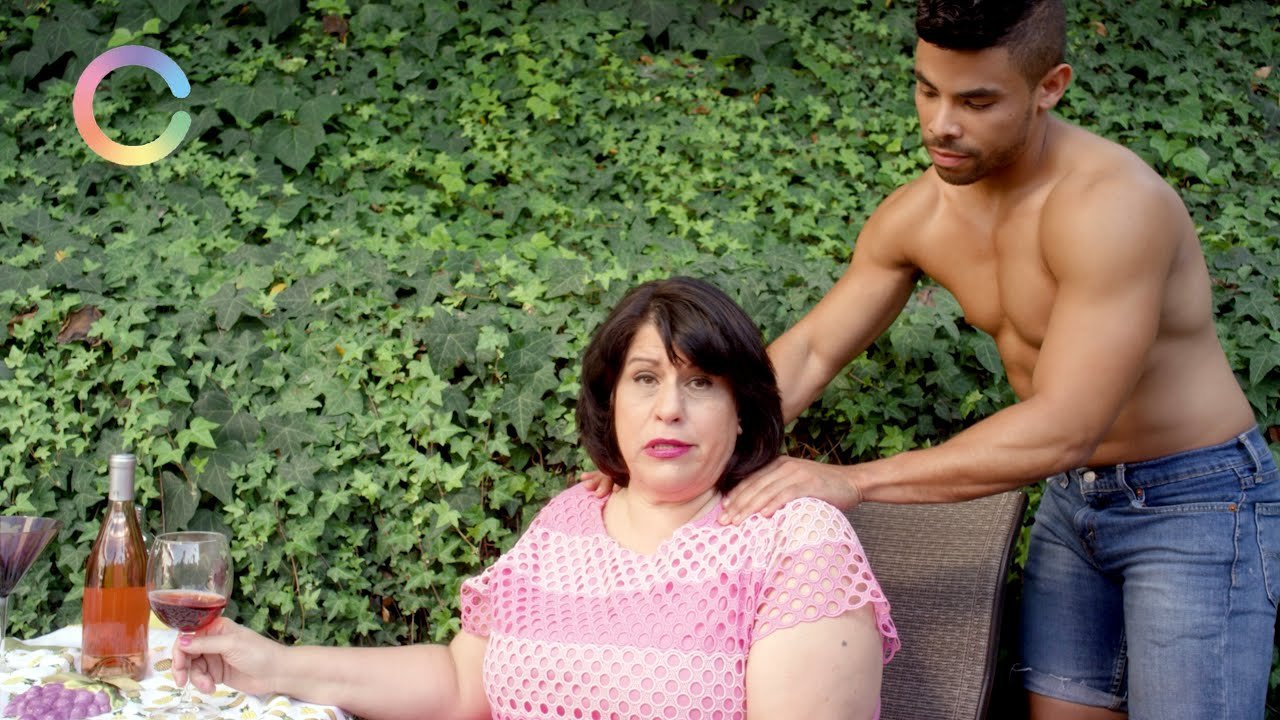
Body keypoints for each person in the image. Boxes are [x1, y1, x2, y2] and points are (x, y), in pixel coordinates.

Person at [579, 2, 1279, 718]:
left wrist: (855, 480)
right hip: (1075, 501)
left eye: (976, 101)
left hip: (1197, 502)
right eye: (927, 90)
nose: (941, 123)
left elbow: (1067, 425)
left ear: (1050, 86)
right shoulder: (922, 214)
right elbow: (814, 350)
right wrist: (666, 450)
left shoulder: (1112, 208)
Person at [172, 276, 899, 720]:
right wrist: (272, 662)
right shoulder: (569, 520)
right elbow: (462, 681)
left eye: (701, 383)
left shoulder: (796, 540)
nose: (670, 409)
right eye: (646, 379)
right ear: (610, 402)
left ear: (743, 410)